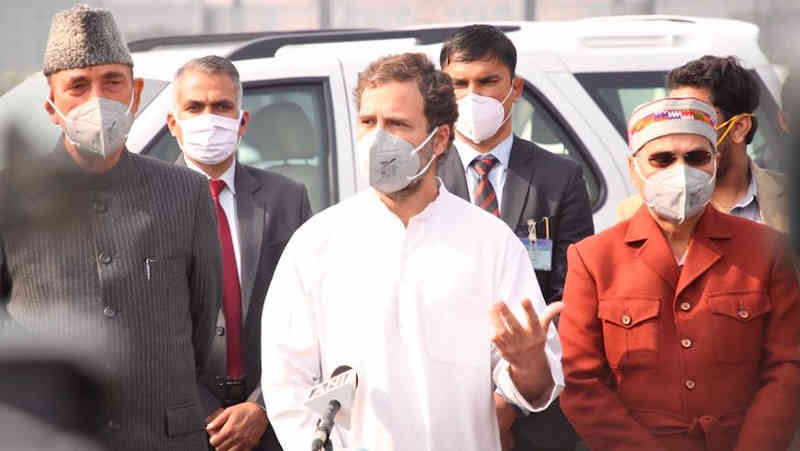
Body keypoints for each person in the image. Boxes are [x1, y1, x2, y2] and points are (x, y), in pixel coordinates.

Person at [260, 52, 564, 451]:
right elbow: (287, 383)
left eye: (397, 124)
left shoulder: (490, 242)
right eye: (369, 122)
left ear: (439, 139)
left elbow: (536, 388)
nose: (378, 138)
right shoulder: (317, 242)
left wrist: (529, 365)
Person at [0, 5, 221, 450]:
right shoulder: (12, 200)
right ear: (51, 105)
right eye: (78, 86)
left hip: (165, 438)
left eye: (112, 82)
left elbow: (201, 322)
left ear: (135, 94)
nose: (97, 100)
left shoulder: (187, 193)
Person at [560, 97, 800, 451]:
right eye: (663, 159)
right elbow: (582, 382)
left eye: (697, 158)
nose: (682, 172)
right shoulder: (594, 258)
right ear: (634, 167)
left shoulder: (766, 249)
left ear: (716, 164)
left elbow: (788, 366)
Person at [437, 24, 592, 451]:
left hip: (537, 411)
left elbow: (571, 296)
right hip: (444, 402)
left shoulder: (559, 178)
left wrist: (512, 396)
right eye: (459, 84)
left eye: (488, 81)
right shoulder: (424, 180)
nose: (474, 96)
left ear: (515, 87)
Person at [167, 55, 312, 451]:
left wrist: (262, 406)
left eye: (222, 107)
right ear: (173, 123)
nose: (208, 118)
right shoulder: (150, 205)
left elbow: (310, 314)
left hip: (274, 423)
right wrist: (205, 412)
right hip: (186, 426)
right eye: (194, 108)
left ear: (242, 121)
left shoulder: (287, 199)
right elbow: (147, 327)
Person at [617, 56, 789, 233]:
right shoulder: (635, 211)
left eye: (696, 119)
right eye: (675, 118)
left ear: (738, 128)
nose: (680, 133)